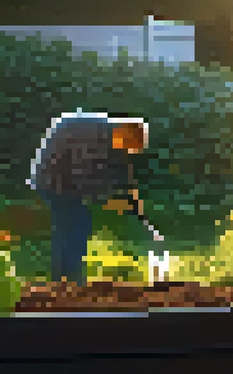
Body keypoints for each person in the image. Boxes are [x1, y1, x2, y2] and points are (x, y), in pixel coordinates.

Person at [28, 112, 150, 285]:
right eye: (128, 147)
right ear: (124, 133)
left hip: (70, 181)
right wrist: (107, 201)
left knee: (77, 224)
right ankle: (66, 279)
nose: (126, 151)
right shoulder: (91, 137)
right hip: (53, 180)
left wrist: (134, 199)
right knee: (73, 226)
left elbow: (121, 171)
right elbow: (82, 176)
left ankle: (67, 278)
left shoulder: (112, 136)